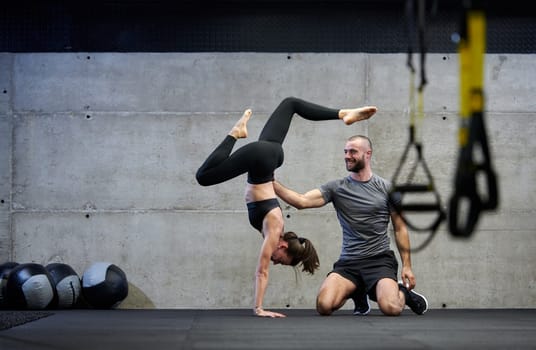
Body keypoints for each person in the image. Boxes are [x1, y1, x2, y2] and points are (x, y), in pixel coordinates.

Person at [195, 97, 377, 318]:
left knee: (290, 104)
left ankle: (343, 114)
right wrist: (259, 308)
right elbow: (262, 271)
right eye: (281, 259)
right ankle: (236, 132)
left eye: (278, 263)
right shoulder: (274, 229)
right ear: (282, 246)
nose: (275, 260)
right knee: (203, 177)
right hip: (262, 157)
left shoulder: (273, 227)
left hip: (271, 155)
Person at [273, 134, 429, 316]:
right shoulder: (337, 188)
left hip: (379, 261)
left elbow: (400, 228)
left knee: (391, 308)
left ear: (367, 154)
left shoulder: (387, 189)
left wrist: (407, 266)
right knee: (324, 305)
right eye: (346, 151)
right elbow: (302, 201)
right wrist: (270, 181)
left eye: (353, 151)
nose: (347, 156)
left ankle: (402, 292)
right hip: (349, 262)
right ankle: (358, 292)